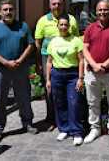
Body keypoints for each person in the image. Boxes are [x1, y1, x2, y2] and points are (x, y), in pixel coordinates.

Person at [0, 0, 38, 144]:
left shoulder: (23, 26)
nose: (8, 12)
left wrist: (20, 60)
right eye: (5, 9)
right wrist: (5, 62)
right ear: (0, 12)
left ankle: (27, 123)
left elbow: (31, 45)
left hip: (20, 67)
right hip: (0, 69)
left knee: (24, 96)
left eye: (11, 9)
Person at [35, 0, 79, 131]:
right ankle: (52, 119)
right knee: (50, 90)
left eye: (59, 4)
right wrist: (39, 62)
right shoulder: (43, 20)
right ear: (50, 5)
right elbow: (38, 42)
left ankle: (68, 118)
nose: (56, 6)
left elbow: (76, 39)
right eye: (54, 4)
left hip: (68, 60)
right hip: (48, 58)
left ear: (63, 4)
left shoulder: (71, 19)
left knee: (68, 90)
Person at [83, 1, 109, 146]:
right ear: (96, 11)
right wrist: (94, 65)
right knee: (92, 103)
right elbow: (85, 48)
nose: (102, 12)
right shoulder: (90, 28)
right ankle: (95, 129)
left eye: (105, 10)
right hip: (92, 72)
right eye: (100, 10)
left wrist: (104, 66)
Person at [45, 14, 84, 145]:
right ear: (57, 26)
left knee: (74, 102)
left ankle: (76, 132)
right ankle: (64, 129)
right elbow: (49, 62)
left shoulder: (76, 40)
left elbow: (81, 60)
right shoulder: (53, 42)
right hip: (57, 75)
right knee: (59, 102)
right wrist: (48, 80)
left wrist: (80, 78)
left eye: (65, 25)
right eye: (61, 24)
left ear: (69, 26)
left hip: (72, 75)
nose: (63, 27)